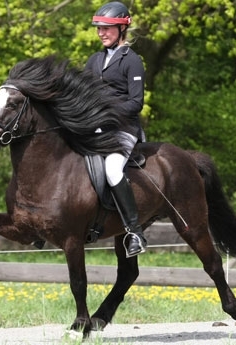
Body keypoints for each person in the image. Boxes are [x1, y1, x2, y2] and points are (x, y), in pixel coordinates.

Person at [84, 1, 147, 258]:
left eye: (107, 28)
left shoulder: (132, 61)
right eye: (99, 28)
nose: (101, 33)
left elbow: (136, 103)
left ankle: (135, 231)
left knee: (111, 170)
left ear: (122, 29)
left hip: (123, 129)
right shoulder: (94, 60)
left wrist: (107, 116)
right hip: (94, 129)